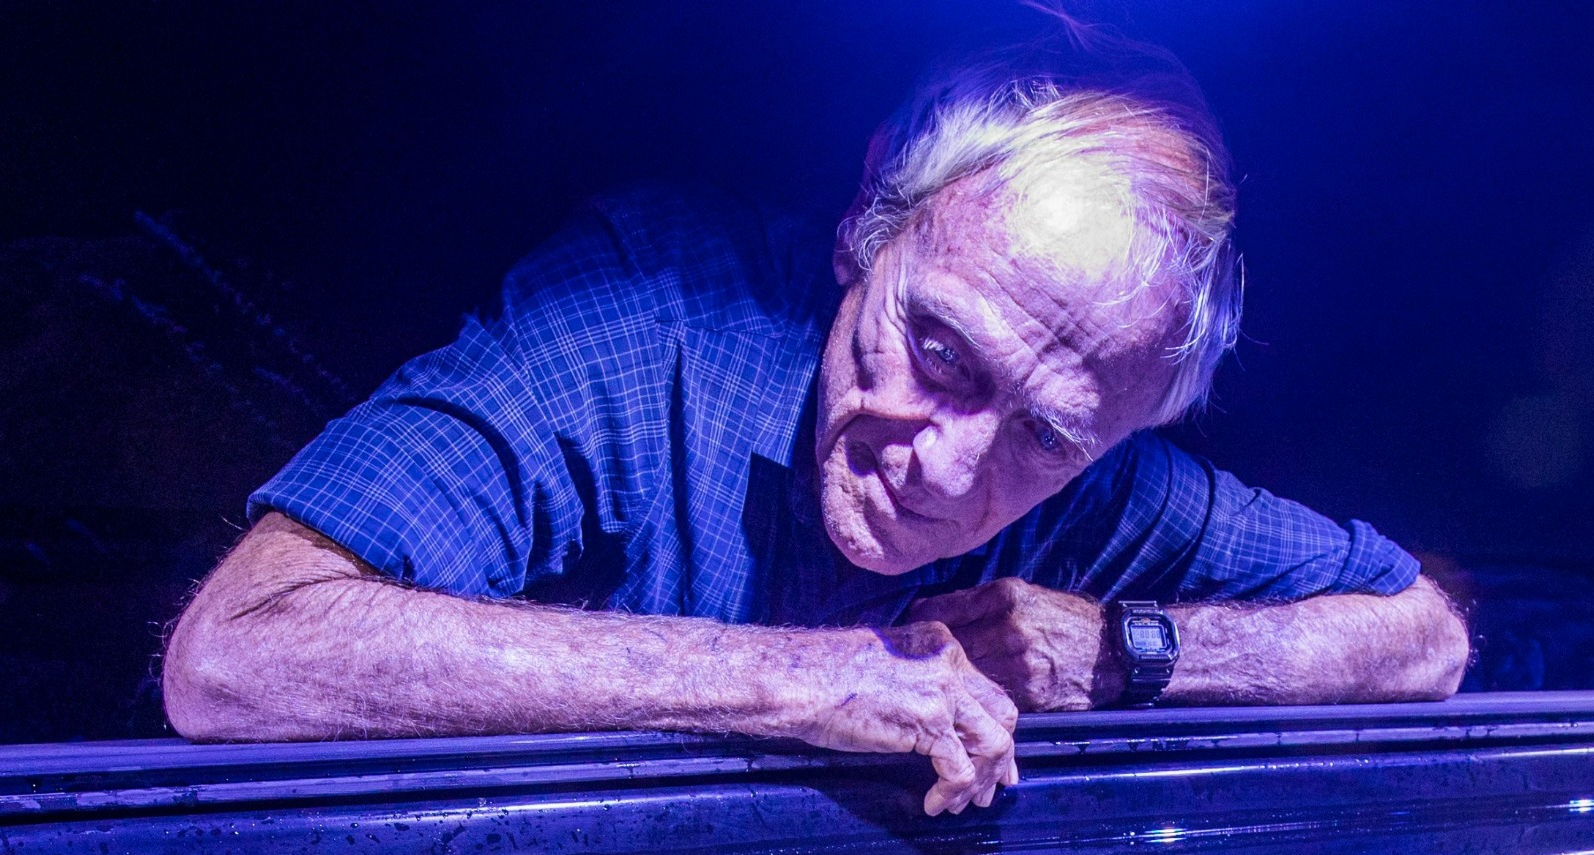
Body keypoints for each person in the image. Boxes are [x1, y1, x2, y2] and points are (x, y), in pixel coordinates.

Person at [163, 44, 1467, 813]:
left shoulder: (1107, 481)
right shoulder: (645, 315)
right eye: (940, 350)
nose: (951, 468)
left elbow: (1424, 641)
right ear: (869, 223)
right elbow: (237, 659)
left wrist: (1125, 652)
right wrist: (801, 681)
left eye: (1047, 438)